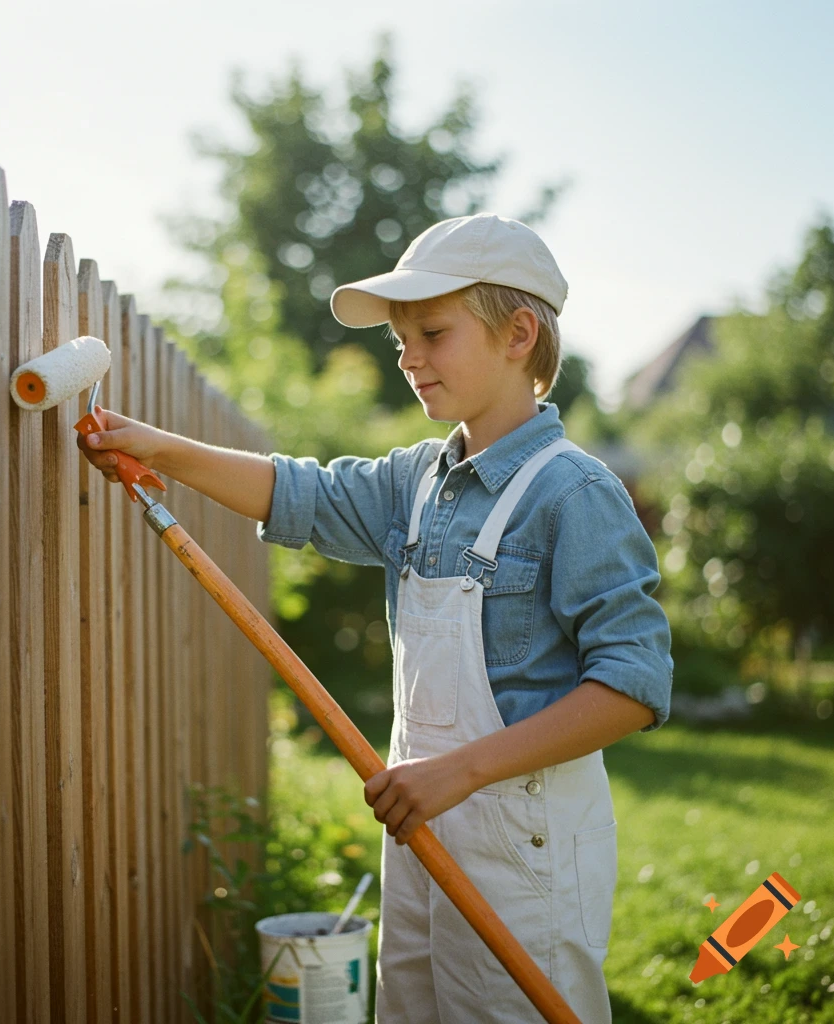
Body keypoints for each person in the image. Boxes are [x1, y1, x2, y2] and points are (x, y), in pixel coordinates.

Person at [77, 213, 674, 1023]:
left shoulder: (574, 494)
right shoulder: (418, 481)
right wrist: (160, 451)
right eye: (400, 338)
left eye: (431, 331)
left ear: (519, 333)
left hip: (521, 849)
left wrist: (459, 772)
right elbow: (302, 493)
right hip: (424, 827)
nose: (408, 356)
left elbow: (633, 686)